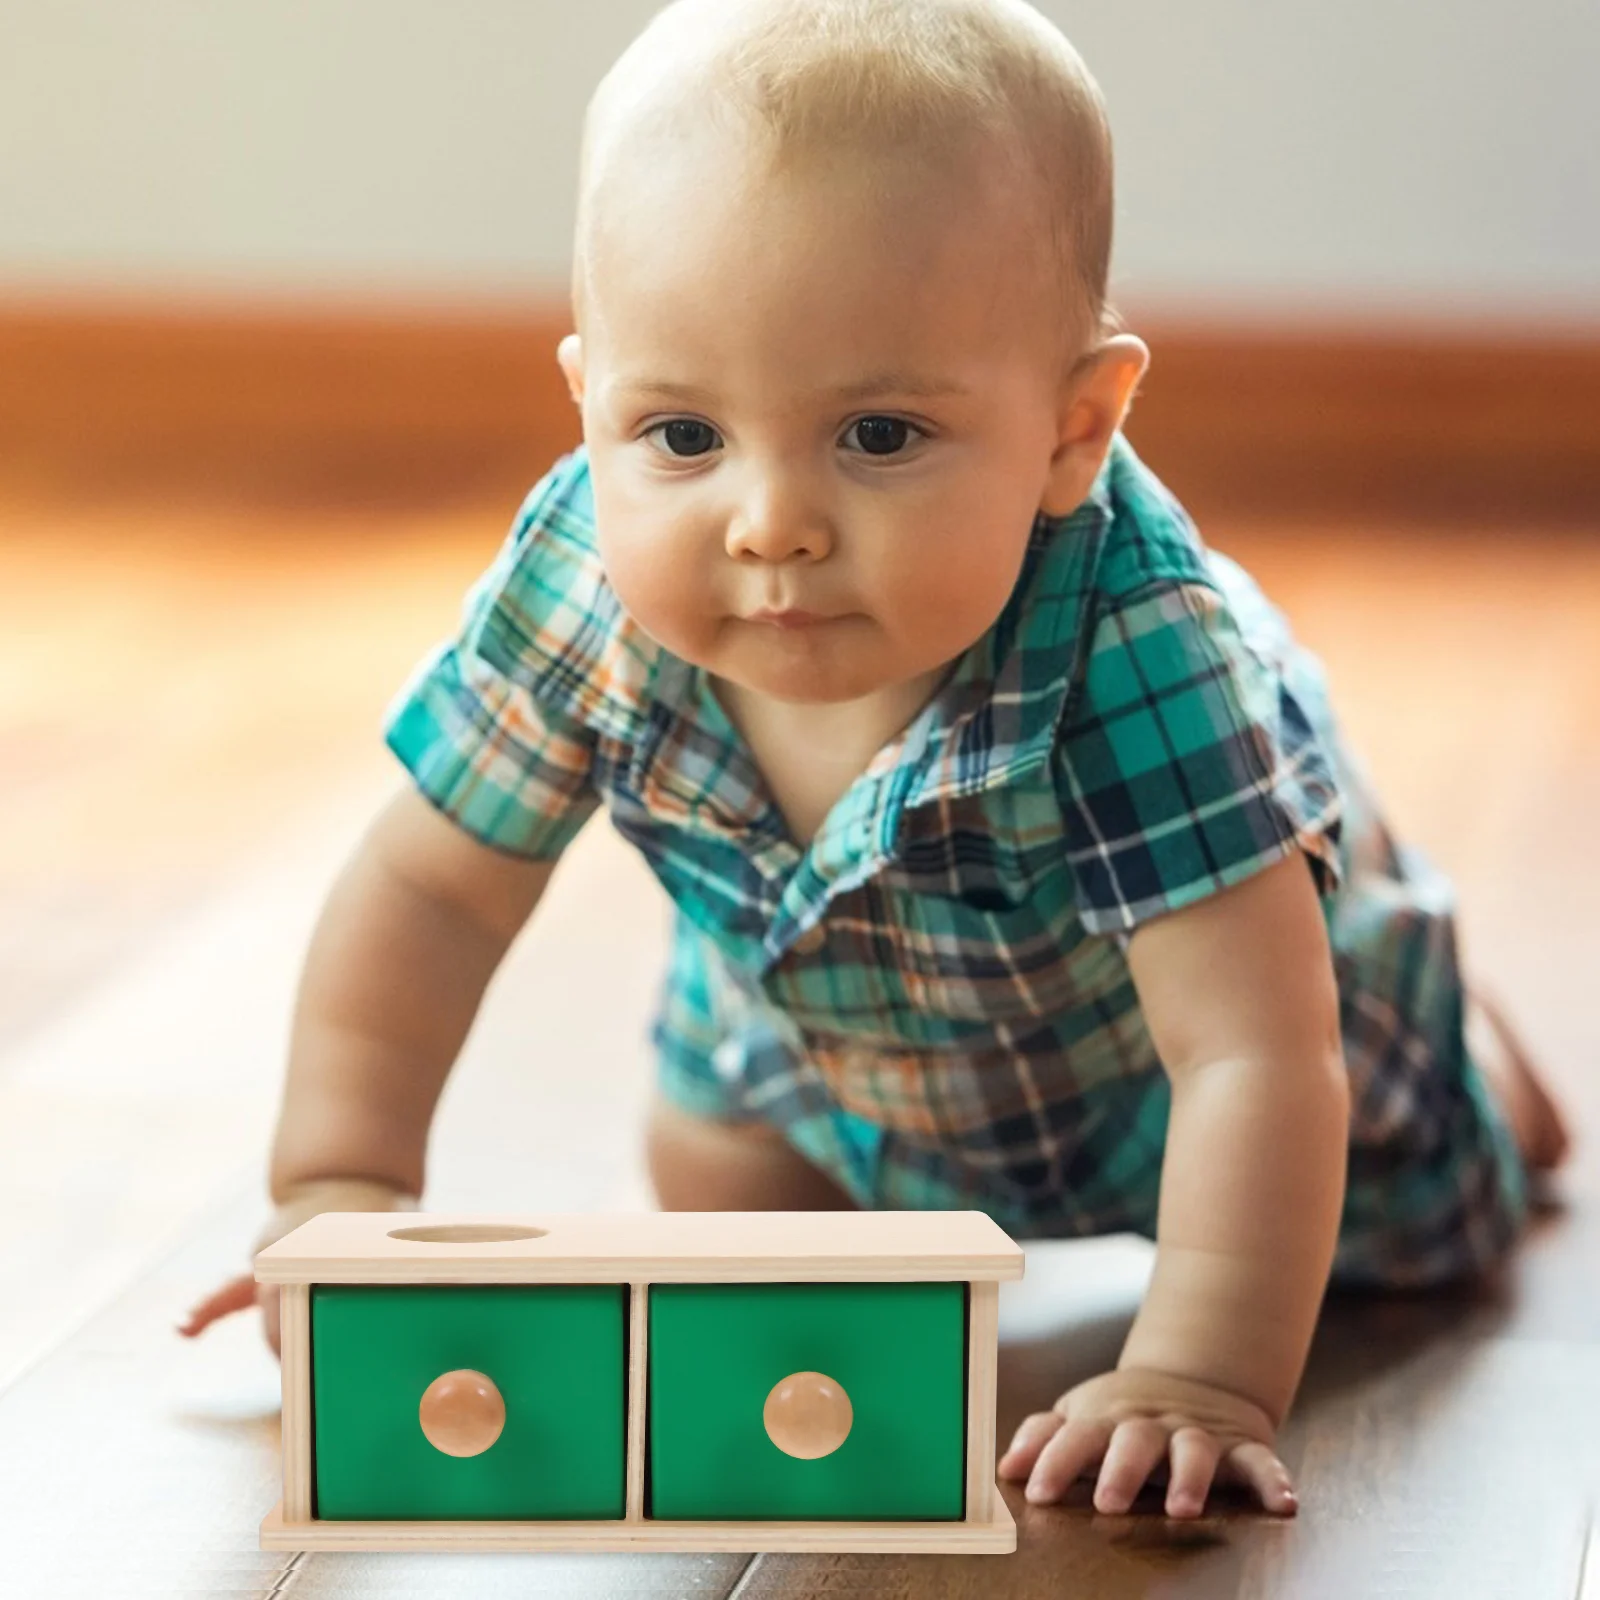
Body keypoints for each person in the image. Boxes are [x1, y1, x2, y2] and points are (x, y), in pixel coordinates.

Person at [179, 0, 1571, 1520]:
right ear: (587, 400)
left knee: (1425, 1215)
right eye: (682, 434)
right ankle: (852, 1191)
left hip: (1181, 1073)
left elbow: (1250, 1054)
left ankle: (1479, 1049)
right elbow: (434, 891)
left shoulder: (1135, 644)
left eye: (883, 435)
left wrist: (1197, 1377)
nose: (769, 520)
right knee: (719, 1196)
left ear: (1071, 427)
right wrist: (338, 1186)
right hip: (813, 1042)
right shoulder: (586, 578)